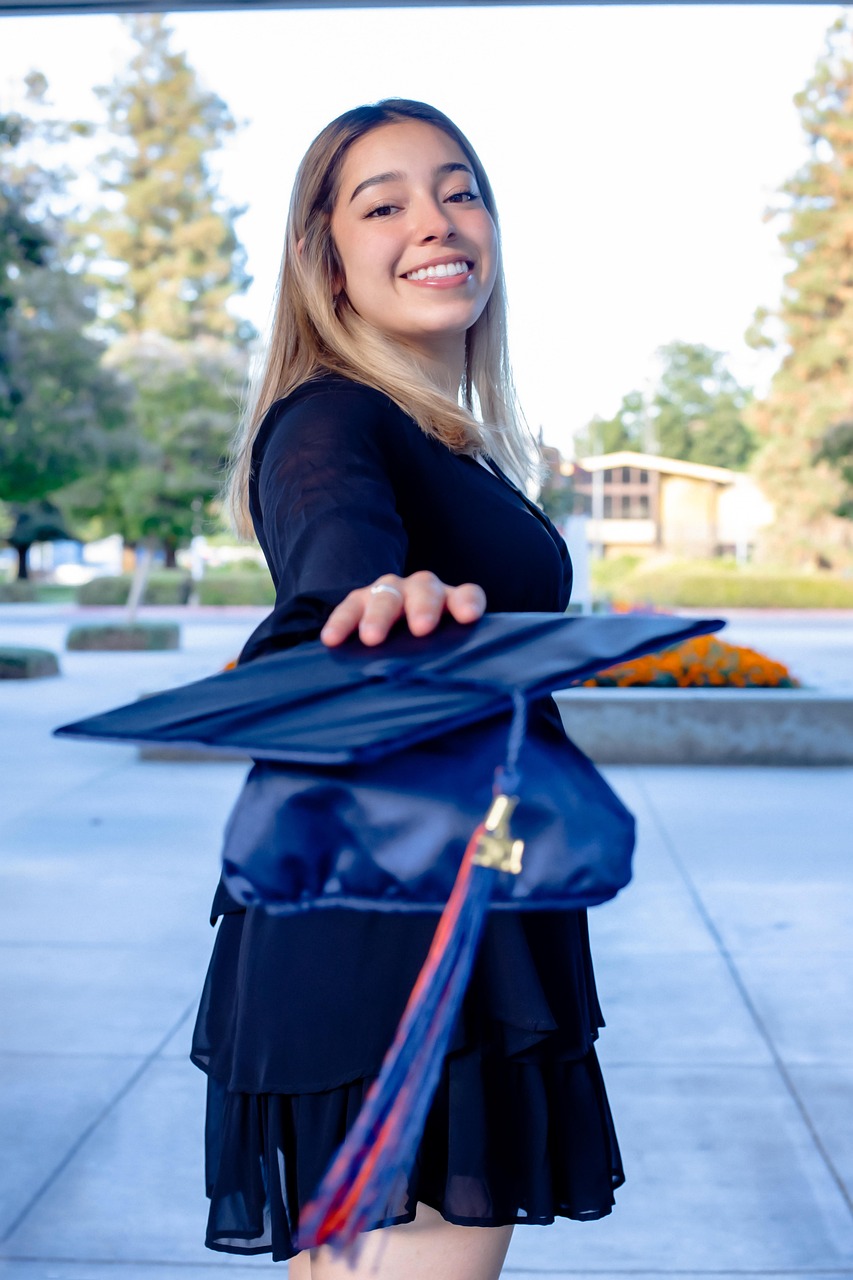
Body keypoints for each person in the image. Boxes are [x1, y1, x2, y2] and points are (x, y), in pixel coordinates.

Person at [190, 99, 623, 1279]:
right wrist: (369, 615)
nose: (435, 221)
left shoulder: (443, 437)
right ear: (323, 259)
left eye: (459, 189)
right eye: (382, 204)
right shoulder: (332, 418)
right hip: (402, 926)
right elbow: (337, 584)